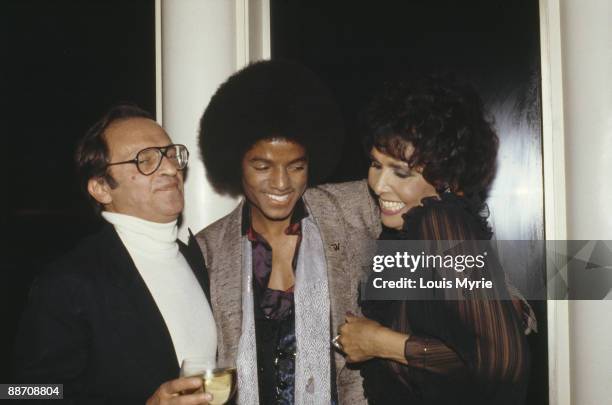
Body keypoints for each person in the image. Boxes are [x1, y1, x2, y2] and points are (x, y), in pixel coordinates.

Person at [337, 76, 531, 404]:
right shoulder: (406, 234)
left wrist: (378, 341)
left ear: (446, 178)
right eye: (375, 164)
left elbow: (504, 363)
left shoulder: (440, 222)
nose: (379, 184)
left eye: (401, 172)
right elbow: (465, 358)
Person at [195, 60, 380, 404]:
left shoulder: (353, 212)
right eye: (262, 167)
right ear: (236, 162)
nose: (281, 183)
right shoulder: (207, 251)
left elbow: (459, 263)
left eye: (296, 167)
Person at [14, 104, 216, 405]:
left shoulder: (196, 257)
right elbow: (21, 393)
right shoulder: (69, 281)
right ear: (101, 189)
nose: (171, 168)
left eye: (170, 154)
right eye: (145, 159)